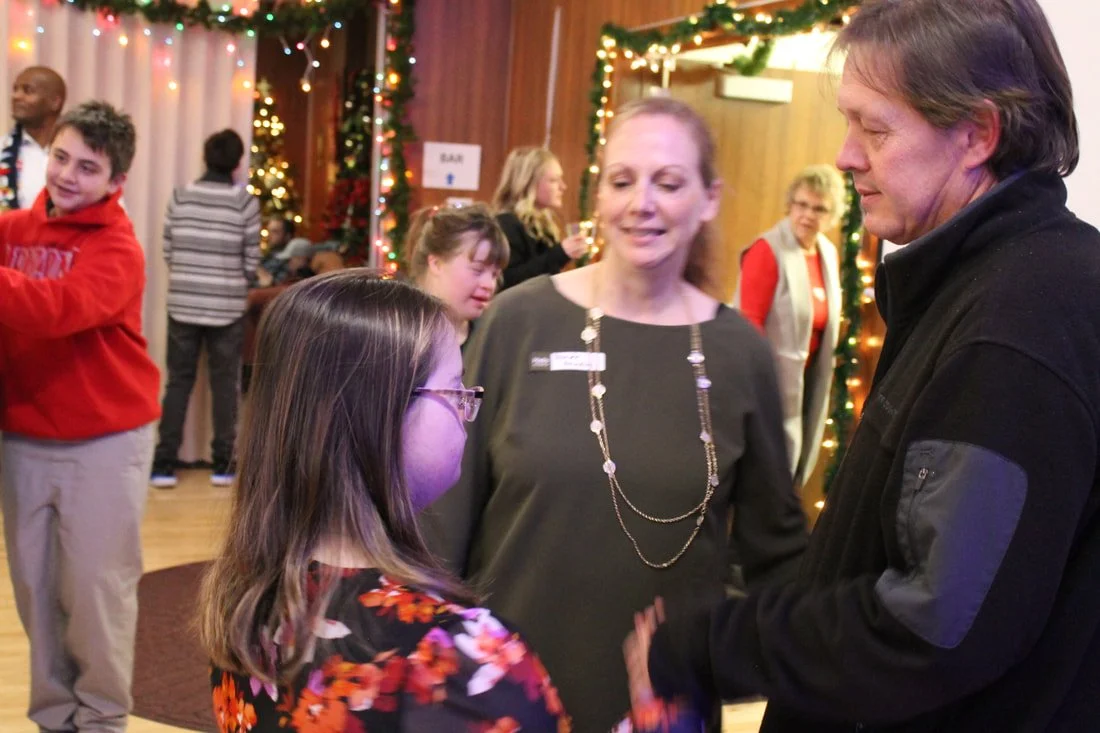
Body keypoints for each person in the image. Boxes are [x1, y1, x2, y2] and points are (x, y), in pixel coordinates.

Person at [631, 2, 1100, 731]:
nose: (847, 155)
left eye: (875, 128)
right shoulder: (988, 281)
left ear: (977, 134)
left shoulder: (1017, 319)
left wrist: (710, 646)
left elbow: (935, 624)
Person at [425, 96, 809, 731]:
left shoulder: (739, 353)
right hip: (498, 694)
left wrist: (732, 664)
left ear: (709, 198)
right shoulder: (517, 323)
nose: (642, 204)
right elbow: (443, 522)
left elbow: (777, 557)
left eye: (669, 183)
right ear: (597, 196)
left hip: (660, 708)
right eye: (622, 181)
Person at [199, 272, 693, 732]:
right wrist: (656, 717)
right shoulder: (453, 653)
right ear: (382, 414)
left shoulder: (246, 599)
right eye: (454, 387)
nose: (467, 409)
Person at [0, 100, 160, 731]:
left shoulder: (119, 248)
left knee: (96, 592)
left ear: (115, 182)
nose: (67, 175)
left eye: (87, 167)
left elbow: (58, 308)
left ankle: (99, 719)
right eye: (61, 157)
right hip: (22, 436)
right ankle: (53, 717)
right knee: (36, 592)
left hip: (106, 440)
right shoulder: (13, 231)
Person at [150, 129, 261, 489]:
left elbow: (169, 250)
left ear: (205, 157)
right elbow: (251, 262)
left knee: (178, 381)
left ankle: (163, 464)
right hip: (227, 306)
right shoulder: (244, 204)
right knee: (225, 384)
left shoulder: (181, 198)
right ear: (237, 162)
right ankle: (224, 465)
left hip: (182, 302)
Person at [733, 165, 845, 488]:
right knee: (764, 476)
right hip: (769, 384)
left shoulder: (827, 253)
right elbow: (747, 326)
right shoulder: (768, 250)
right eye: (801, 205)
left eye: (819, 208)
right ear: (790, 205)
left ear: (832, 214)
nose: (808, 215)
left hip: (809, 378)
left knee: (792, 470)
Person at [405, 202, 509, 346]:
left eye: (494, 275)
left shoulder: (493, 342)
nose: (489, 285)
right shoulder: (394, 335)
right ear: (436, 263)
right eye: (477, 270)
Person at [491, 146, 588, 288]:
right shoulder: (507, 223)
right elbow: (508, 282)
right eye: (554, 180)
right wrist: (561, 253)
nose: (563, 186)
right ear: (529, 183)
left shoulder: (543, 225)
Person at [1, 66, 66, 211]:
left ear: (55, 102)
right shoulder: (1, 150)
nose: (16, 96)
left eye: (27, 90)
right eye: (15, 89)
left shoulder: (80, 155)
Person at [255, 215, 294, 287]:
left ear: (287, 236)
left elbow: (268, 283)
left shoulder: (288, 259)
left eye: (275, 232)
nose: (269, 235)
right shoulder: (268, 254)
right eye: (269, 231)